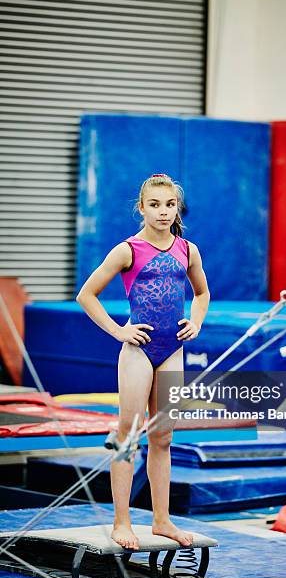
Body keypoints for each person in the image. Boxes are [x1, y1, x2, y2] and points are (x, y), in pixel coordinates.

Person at [76, 173, 210, 550]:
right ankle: (122, 521)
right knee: (128, 437)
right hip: (138, 350)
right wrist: (119, 331)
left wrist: (196, 321)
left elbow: (202, 293)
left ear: (176, 207)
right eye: (154, 205)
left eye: (169, 205)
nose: (163, 212)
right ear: (142, 208)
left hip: (172, 350)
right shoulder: (128, 250)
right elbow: (86, 295)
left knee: (163, 437)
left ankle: (162, 520)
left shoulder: (188, 250)